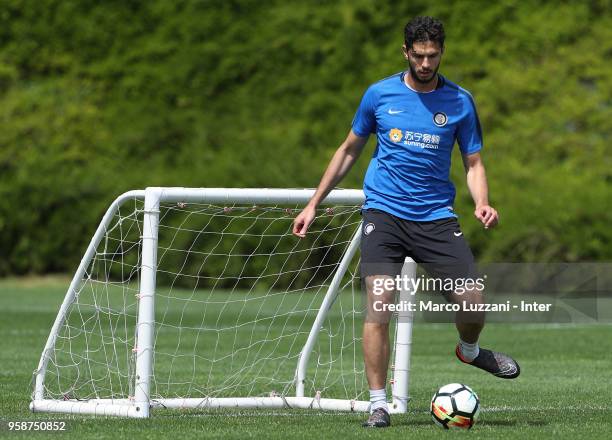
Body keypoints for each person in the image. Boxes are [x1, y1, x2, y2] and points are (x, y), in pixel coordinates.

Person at [292, 16, 520, 428]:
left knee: (473, 302)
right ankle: (378, 403)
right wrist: (313, 203)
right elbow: (348, 151)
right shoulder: (379, 95)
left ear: (441, 53)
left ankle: (469, 351)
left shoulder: (460, 102)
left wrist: (482, 202)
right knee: (379, 305)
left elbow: (473, 162)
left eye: (433, 55)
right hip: (384, 214)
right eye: (419, 56)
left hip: (435, 217)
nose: (426, 63)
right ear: (406, 53)